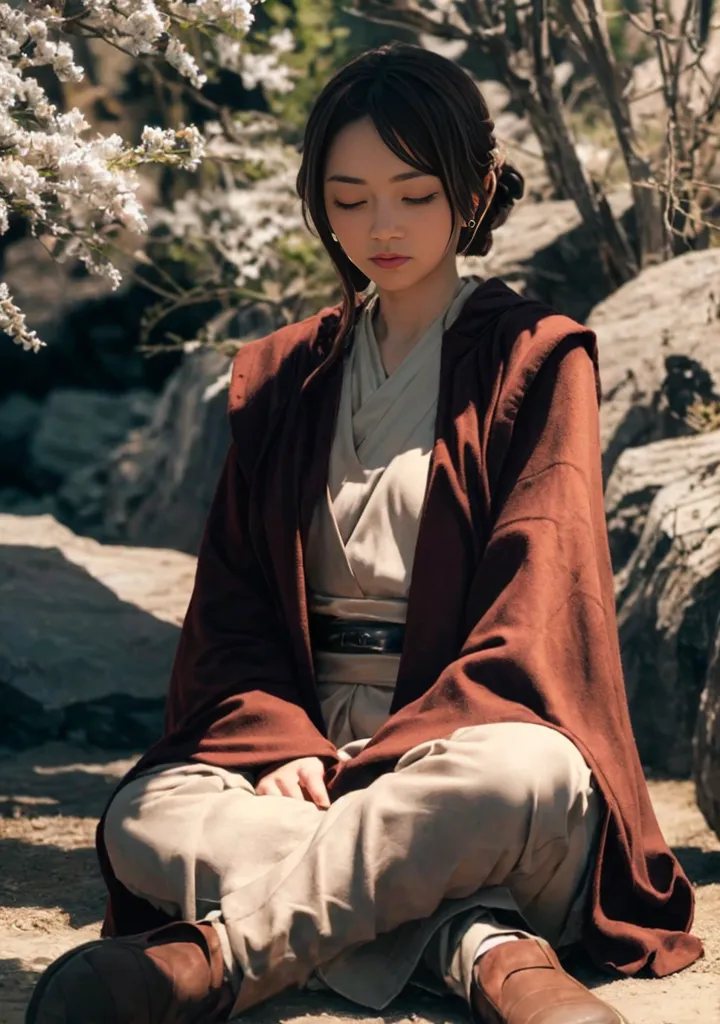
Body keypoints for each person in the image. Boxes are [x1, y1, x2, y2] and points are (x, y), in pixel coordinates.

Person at [26, 42, 702, 1024]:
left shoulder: (538, 359)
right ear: (318, 202)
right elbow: (234, 608)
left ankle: (213, 958)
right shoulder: (282, 374)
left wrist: (383, 764)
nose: (379, 226)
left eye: (413, 194)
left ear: (471, 193)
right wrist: (281, 742)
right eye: (349, 198)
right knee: (145, 812)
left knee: (515, 778)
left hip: (466, 746)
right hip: (301, 762)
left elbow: (539, 610)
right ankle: (483, 947)